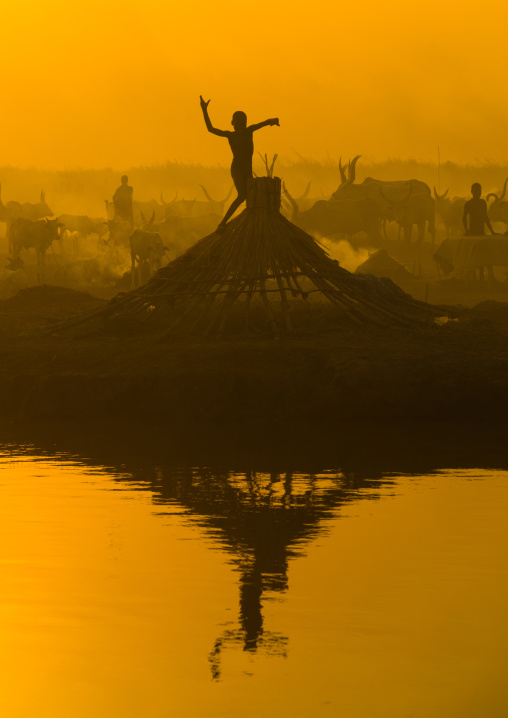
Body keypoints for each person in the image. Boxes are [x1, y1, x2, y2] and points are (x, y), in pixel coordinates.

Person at [200, 96, 279, 229]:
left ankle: (249, 222)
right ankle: (222, 223)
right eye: (239, 121)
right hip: (237, 169)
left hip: (246, 169)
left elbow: (264, 123)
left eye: (242, 121)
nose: (240, 124)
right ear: (235, 123)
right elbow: (211, 129)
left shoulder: (247, 132)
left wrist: (272, 120)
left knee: (251, 196)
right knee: (243, 195)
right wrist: (204, 110)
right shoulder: (234, 135)